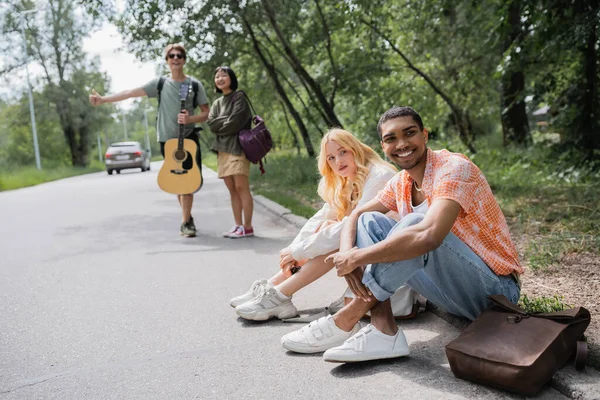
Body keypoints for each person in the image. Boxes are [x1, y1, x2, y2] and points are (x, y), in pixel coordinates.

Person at [281, 106, 523, 362]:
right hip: (448, 292)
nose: (402, 144)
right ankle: (384, 332)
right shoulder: (402, 181)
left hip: (494, 293)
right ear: (383, 146)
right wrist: (346, 255)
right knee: (369, 221)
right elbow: (355, 216)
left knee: (415, 224)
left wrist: (358, 258)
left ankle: (346, 318)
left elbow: (429, 235)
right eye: (391, 138)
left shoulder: (453, 168)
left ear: (425, 135)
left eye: (410, 133)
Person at [230, 128, 398, 322]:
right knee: (327, 225)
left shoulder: (379, 176)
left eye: (343, 152)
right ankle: (274, 286)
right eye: (331, 158)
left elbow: (349, 228)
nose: (338, 161)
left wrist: (299, 252)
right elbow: (320, 217)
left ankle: (281, 294)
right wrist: (293, 250)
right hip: (373, 256)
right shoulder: (350, 180)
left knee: (339, 233)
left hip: (394, 265)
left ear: (355, 149)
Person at [89, 43, 209, 237]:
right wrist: (104, 100)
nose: (176, 58)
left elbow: (206, 113)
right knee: (177, 180)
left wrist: (190, 119)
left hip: (188, 139)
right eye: (172, 56)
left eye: (179, 55)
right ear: (167, 60)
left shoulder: (194, 84)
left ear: (184, 59)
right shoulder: (160, 84)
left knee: (188, 181)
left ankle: (186, 221)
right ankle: (187, 217)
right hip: (167, 140)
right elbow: (129, 93)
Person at [207, 66, 255, 239]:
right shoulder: (216, 103)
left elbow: (235, 122)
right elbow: (211, 125)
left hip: (238, 148)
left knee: (242, 187)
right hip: (222, 150)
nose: (220, 78)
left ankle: (248, 227)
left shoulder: (239, 96)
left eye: (223, 75)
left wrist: (222, 124)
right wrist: (223, 123)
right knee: (232, 189)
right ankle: (238, 225)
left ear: (231, 78)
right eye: (217, 76)